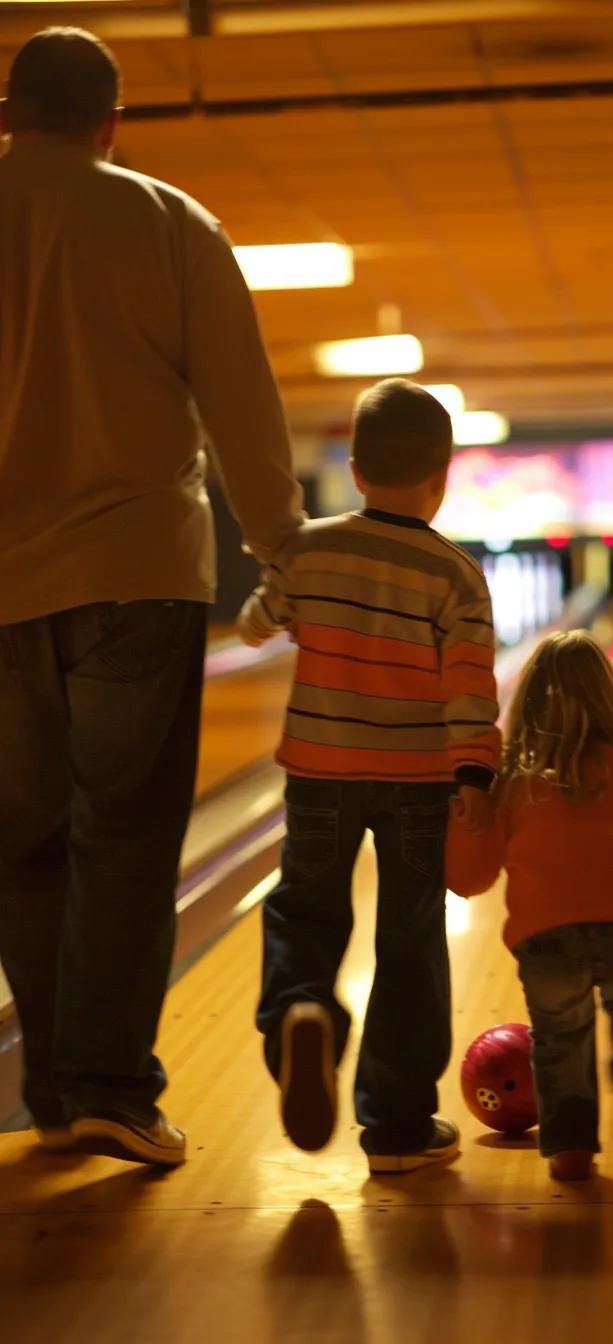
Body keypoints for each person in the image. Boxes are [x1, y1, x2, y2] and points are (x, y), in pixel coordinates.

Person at [0, 29, 303, 1166]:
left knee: (21, 844)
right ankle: (114, 1091)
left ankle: (51, 1087)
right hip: (136, 571)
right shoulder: (169, 220)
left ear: (9, 111)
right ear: (111, 121)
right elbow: (240, 398)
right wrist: (280, 545)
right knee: (121, 839)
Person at [237, 378, 500, 1174]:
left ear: (352, 468)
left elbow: (257, 623)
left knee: (305, 913)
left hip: (319, 771)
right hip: (418, 780)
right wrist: (476, 782)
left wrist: (270, 582)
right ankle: (397, 1126)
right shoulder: (456, 575)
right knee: (410, 939)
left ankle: (301, 1014)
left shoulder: (310, 548)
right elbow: (470, 692)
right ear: (443, 475)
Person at [446, 630, 613, 1181]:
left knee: (559, 1037)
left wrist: (460, 823)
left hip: (546, 934)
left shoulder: (515, 778)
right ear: (610, 696)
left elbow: (470, 879)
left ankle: (572, 1147)